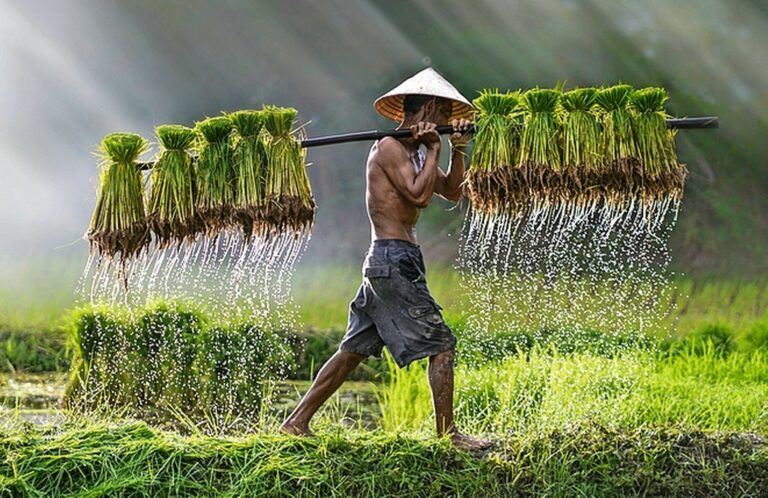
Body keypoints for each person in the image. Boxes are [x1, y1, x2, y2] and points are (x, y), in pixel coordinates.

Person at [280, 68, 494, 451]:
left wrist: (457, 148)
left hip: (394, 260)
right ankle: (449, 436)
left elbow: (451, 192)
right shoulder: (390, 148)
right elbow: (419, 196)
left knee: (352, 351)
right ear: (428, 108)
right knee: (442, 345)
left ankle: (295, 422)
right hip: (392, 260)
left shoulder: (414, 151)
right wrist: (435, 149)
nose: (446, 123)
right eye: (444, 115)